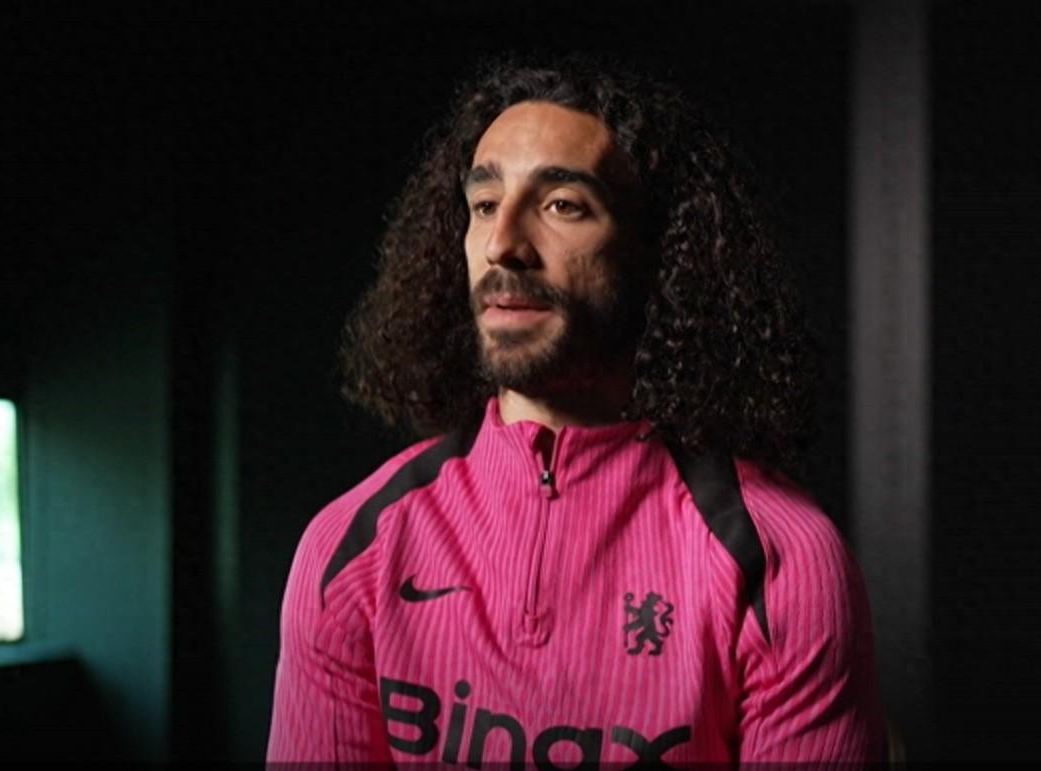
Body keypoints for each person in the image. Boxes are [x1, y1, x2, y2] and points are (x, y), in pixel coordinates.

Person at [266, 54, 885, 767]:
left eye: (563, 205)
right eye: (484, 204)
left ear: (658, 251)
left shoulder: (780, 562)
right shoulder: (351, 549)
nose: (503, 244)